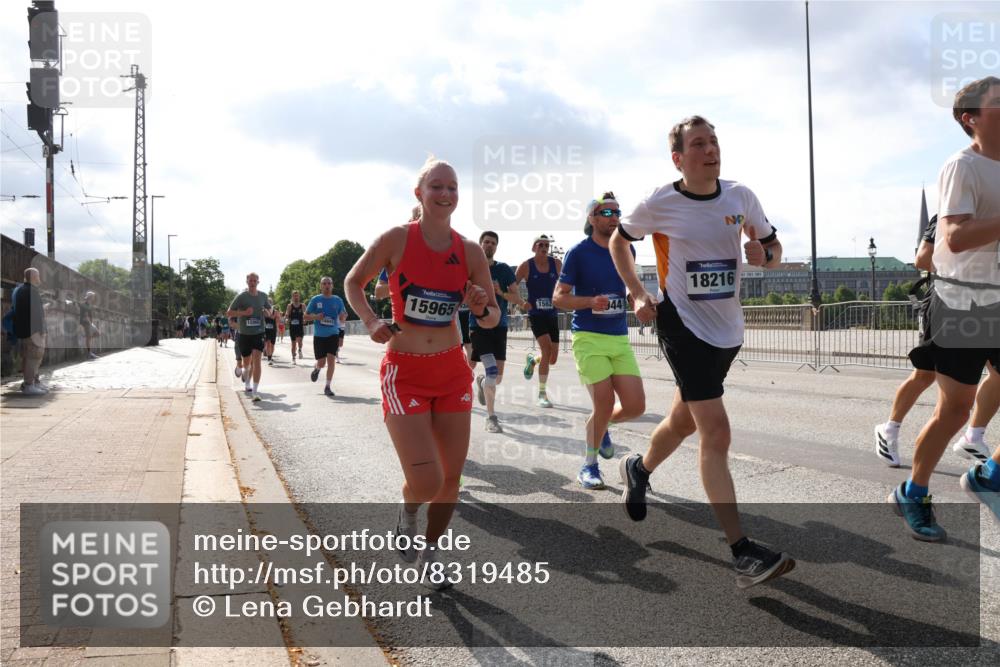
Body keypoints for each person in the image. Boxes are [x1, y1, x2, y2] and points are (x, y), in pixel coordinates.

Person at [612, 115, 794, 588]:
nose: (710, 149)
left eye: (713, 141)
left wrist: (766, 257)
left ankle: (639, 468)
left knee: (683, 420)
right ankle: (741, 552)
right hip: (682, 325)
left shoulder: (740, 196)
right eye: (698, 144)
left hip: (727, 331)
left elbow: (773, 249)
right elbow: (619, 241)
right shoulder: (660, 201)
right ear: (678, 158)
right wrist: (637, 292)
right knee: (715, 430)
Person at [344, 156, 497, 586]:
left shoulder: (469, 251)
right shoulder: (396, 239)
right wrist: (371, 321)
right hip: (405, 373)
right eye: (436, 186)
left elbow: (491, 318)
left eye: (452, 187)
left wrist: (480, 307)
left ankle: (431, 553)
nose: (445, 194)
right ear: (419, 193)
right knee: (427, 481)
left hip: (451, 373)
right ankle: (408, 510)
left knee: (451, 479)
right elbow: (353, 282)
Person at [894, 76, 1000, 540]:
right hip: (962, 302)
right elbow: (953, 237)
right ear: (971, 118)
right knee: (955, 411)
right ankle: (913, 492)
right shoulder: (963, 166)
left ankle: (989, 476)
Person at [875, 214, 998, 466]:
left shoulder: (992, 211)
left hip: (987, 305)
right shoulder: (949, 212)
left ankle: (973, 436)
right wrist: (965, 270)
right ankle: (889, 429)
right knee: (925, 374)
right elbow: (922, 259)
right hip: (946, 301)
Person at [554, 193, 645, 489]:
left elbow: (630, 286)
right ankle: (589, 466)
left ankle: (601, 424)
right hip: (588, 337)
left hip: (618, 337)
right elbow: (559, 297)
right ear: (591, 218)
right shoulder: (578, 253)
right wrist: (589, 301)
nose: (614, 216)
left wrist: (637, 299)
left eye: (617, 211)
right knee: (603, 403)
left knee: (635, 406)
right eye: (606, 212)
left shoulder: (627, 249)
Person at [469, 231, 524, 433]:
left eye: (493, 243)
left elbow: (518, 299)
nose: (489, 245)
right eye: (486, 242)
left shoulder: (503, 269)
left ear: (496, 247)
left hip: (500, 326)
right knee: (492, 370)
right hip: (478, 325)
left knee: (497, 377)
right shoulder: (472, 267)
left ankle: (482, 382)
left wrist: (500, 292)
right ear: (480, 244)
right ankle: (491, 417)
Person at [514, 234, 561, 407]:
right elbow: (511, 287)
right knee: (546, 349)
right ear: (534, 247)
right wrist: (521, 303)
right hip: (536, 314)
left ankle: (533, 360)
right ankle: (542, 394)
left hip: (552, 314)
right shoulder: (526, 266)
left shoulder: (556, 264)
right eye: (541, 245)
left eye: (547, 245)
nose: (544, 248)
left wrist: (562, 297)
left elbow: (566, 283)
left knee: (552, 358)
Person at [227, 273, 272, 402]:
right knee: (247, 364)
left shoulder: (263, 296)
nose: (252, 282)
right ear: (247, 282)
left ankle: (255, 391)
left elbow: (270, 311)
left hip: (259, 332)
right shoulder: (241, 297)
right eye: (250, 280)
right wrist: (244, 313)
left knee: (257, 361)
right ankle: (247, 382)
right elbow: (229, 312)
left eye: (254, 280)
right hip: (244, 334)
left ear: (258, 282)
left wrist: (266, 312)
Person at [305, 277, 346, 396]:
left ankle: (327, 387)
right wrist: (316, 317)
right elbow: (305, 316)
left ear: (332, 285)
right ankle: (317, 368)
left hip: (333, 334)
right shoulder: (315, 299)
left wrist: (343, 317)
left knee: (331, 360)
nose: (327, 285)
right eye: (324, 283)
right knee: (322, 363)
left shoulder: (337, 300)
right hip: (319, 335)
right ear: (321, 286)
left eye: (329, 283)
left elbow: (343, 315)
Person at [13, 268, 48, 395]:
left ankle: (33, 382)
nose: (39, 278)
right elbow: (36, 313)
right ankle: (29, 385)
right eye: (38, 276)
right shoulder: (32, 291)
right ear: (33, 277)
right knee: (33, 357)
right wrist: (41, 330)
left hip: (25, 330)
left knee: (29, 357)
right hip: (33, 331)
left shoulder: (21, 290)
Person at [285, 291, 306, 364]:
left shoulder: (302, 305)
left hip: (300, 326)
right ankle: (293, 358)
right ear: (292, 297)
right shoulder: (290, 306)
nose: (296, 297)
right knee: (293, 344)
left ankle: (300, 349)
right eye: (294, 296)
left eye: (297, 296)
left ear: (299, 297)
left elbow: (305, 314)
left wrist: (304, 319)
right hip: (292, 327)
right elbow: (287, 314)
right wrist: (287, 319)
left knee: (300, 341)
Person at [79, 291, 99, 359]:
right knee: (89, 337)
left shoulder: (89, 305)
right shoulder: (84, 304)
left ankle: (87, 338)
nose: (94, 298)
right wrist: (90, 324)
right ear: (89, 297)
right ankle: (89, 353)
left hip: (89, 322)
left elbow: (90, 315)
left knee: (97, 334)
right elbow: (85, 315)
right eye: (93, 296)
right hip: (85, 322)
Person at [264, 300, 278, 365]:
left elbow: (273, 317)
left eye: (270, 303)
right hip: (266, 330)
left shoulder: (275, 311)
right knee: (268, 343)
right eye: (268, 303)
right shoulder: (264, 311)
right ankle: (269, 358)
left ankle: (270, 355)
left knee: (272, 345)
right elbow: (264, 317)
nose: (269, 304)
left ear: (272, 304)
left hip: (273, 329)